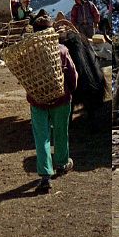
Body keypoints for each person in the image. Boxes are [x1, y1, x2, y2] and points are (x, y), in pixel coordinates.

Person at [29, 15, 78, 195]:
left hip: (37, 101)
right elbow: (73, 75)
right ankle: (62, 164)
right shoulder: (62, 50)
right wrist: (71, 91)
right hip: (61, 99)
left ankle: (45, 176)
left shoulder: (29, 53)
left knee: (42, 138)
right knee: (60, 132)